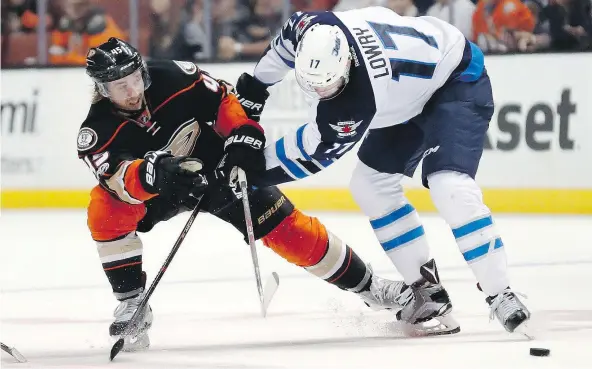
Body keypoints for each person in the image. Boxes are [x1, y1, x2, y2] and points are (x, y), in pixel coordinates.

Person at [78, 37, 412, 352]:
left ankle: (371, 287)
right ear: (102, 89)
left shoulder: (177, 76)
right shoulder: (97, 132)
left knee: (289, 231)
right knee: (104, 207)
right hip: (160, 191)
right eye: (120, 86)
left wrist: (241, 134)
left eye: (136, 79)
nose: (133, 91)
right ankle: (132, 302)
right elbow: (117, 180)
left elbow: (223, 100)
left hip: (216, 171)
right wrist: (151, 174)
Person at [235, 7, 531, 336]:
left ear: (346, 64)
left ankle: (501, 292)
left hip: (456, 80)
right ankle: (426, 291)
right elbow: (284, 44)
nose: (322, 95)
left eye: (328, 87)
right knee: (369, 184)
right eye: (314, 87)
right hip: (408, 89)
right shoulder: (314, 26)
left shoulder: (358, 98)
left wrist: (250, 167)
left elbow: (311, 153)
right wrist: (253, 88)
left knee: (449, 185)